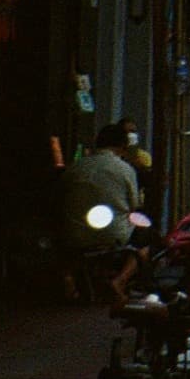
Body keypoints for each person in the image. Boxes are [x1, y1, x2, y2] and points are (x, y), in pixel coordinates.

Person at [63, 125, 145, 301]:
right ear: (122, 147)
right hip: (114, 234)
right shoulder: (124, 169)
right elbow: (134, 205)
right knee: (146, 243)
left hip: (75, 234)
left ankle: (69, 277)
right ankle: (121, 280)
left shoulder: (76, 167)